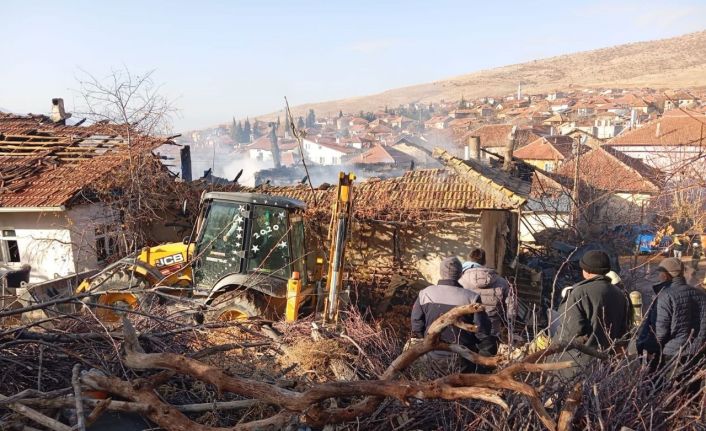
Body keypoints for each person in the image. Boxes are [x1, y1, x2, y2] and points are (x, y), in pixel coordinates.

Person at [552, 250, 631, 377]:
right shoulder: (619, 294)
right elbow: (624, 330)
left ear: (586, 270)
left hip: (578, 362)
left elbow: (573, 332)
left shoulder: (578, 293)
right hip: (606, 360)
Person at [411, 257, 494, 371]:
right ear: (460, 274)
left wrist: (427, 340)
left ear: (440, 273)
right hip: (463, 360)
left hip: (431, 357)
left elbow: (416, 325)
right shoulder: (472, 297)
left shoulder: (424, 294)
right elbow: (482, 331)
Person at [652, 258, 706, 368]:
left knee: (671, 385)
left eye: (660, 273)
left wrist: (652, 347)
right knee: (691, 384)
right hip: (697, 352)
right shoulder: (700, 293)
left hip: (673, 353)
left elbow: (661, 332)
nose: (659, 276)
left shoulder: (665, 296)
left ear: (665, 275)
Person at [458, 248, 515, 351]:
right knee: (488, 360)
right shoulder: (501, 281)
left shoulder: (460, 280)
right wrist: (508, 323)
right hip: (492, 328)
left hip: (466, 327)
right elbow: (511, 305)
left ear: (469, 259)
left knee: (467, 357)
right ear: (484, 261)